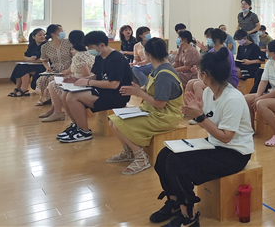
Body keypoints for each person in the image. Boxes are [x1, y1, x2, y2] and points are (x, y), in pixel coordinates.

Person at [149, 47, 253, 227]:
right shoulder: (208, 92)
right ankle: (175, 203)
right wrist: (196, 112)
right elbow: (207, 124)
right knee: (164, 155)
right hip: (214, 143)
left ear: (205, 74)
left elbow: (226, 137)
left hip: (235, 153)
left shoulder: (233, 99)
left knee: (176, 163)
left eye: (198, 70)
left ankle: (189, 216)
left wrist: (199, 117)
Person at [108, 37, 184, 175]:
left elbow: (160, 104)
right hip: (153, 111)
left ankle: (140, 157)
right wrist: (139, 89)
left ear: (147, 54)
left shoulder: (164, 74)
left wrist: (139, 93)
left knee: (119, 124)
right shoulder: (160, 68)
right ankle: (129, 151)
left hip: (165, 116)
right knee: (112, 121)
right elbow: (153, 89)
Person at [57, 31, 133, 143]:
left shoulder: (116, 58)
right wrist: (77, 79)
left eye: (90, 47)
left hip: (117, 95)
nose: (89, 50)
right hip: (103, 90)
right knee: (65, 94)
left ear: (101, 45)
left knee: (72, 97)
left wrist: (88, 82)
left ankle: (84, 131)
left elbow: (114, 84)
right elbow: (96, 75)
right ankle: (77, 126)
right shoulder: (100, 56)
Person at [186, 28, 239, 124]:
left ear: (217, 40)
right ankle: (191, 110)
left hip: (226, 79)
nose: (208, 40)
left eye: (209, 38)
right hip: (212, 77)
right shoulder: (211, 51)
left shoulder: (226, 53)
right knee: (190, 83)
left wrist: (204, 75)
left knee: (197, 85)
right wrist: (198, 71)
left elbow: (224, 72)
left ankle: (201, 113)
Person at [40, 30, 95, 122]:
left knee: (53, 84)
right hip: (82, 79)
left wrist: (73, 79)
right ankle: (54, 110)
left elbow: (86, 74)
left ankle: (58, 112)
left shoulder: (79, 56)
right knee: (52, 82)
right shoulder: (88, 52)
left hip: (83, 82)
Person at [35, 24, 74, 106]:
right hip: (55, 70)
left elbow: (75, 59)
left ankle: (54, 100)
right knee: (41, 79)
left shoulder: (69, 43)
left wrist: (68, 70)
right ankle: (45, 98)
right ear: (53, 33)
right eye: (60, 30)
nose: (63, 32)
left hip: (70, 68)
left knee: (52, 79)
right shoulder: (45, 46)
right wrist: (48, 68)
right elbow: (44, 60)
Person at [8, 28, 47, 97]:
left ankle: (24, 89)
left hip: (43, 66)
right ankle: (18, 88)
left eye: (44, 35)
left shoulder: (46, 46)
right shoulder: (32, 46)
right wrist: (29, 59)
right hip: (33, 65)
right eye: (40, 35)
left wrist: (33, 60)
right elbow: (25, 57)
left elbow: (45, 59)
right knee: (19, 66)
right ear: (33, 37)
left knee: (24, 68)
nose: (42, 37)